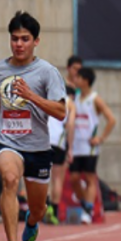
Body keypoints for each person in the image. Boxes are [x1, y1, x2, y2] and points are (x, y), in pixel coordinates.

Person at [0, 12, 67, 241]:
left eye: (25, 39)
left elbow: (61, 112)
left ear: (36, 41)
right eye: (14, 39)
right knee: (8, 179)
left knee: (38, 208)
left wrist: (31, 96)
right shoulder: (0, 70)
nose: (19, 44)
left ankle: (31, 221)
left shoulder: (47, 72)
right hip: (7, 142)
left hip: (38, 148)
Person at [68, 67, 116, 224]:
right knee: (74, 178)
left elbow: (111, 119)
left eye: (78, 77)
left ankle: (88, 210)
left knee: (89, 178)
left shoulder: (95, 99)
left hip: (89, 146)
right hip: (75, 145)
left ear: (86, 80)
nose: (75, 80)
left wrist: (100, 138)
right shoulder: (74, 98)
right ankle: (84, 204)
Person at [45, 89, 74, 224]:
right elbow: (71, 125)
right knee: (57, 178)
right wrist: (71, 148)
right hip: (58, 142)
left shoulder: (46, 97)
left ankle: (43, 207)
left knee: (44, 177)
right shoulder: (69, 103)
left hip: (44, 140)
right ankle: (54, 209)